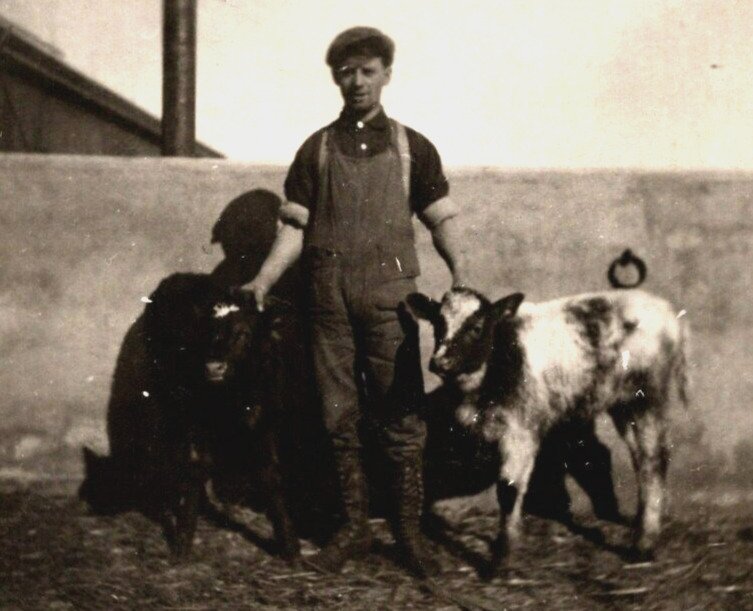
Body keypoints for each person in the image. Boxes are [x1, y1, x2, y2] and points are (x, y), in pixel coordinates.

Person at [244, 26, 468, 577]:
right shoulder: (315, 149)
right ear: (335, 78)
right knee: (337, 415)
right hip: (328, 304)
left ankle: (409, 533)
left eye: (368, 71)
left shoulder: (414, 147)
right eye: (347, 72)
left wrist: (463, 274)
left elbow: (441, 220)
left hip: (391, 302)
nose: (357, 82)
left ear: (387, 74)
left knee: (401, 413)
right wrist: (262, 281)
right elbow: (294, 230)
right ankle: (351, 531)